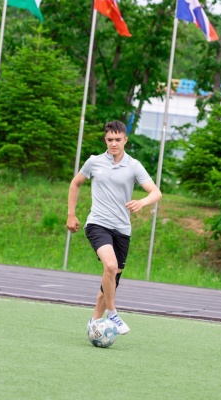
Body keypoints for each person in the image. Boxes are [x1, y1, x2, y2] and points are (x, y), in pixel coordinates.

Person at [67, 121, 162, 335]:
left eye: (118, 139)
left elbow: (156, 193)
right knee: (110, 266)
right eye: (110, 139)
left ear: (125, 140)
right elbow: (75, 183)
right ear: (105, 140)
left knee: (111, 280)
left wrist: (142, 202)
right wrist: (71, 214)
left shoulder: (133, 166)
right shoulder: (94, 162)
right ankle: (113, 314)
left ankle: (94, 322)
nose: (113, 143)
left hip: (122, 229)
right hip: (98, 224)